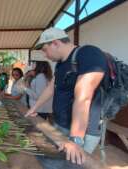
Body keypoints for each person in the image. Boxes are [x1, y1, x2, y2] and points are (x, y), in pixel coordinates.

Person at [25, 27, 108, 168]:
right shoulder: (61, 64)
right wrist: (34, 108)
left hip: (82, 131)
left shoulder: (89, 54)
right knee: (51, 162)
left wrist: (76, 139)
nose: (45, 55)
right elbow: (51, 88)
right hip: (61, 124)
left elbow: (84, 97)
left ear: (55, 43)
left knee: (71, 165)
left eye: (45, 50)